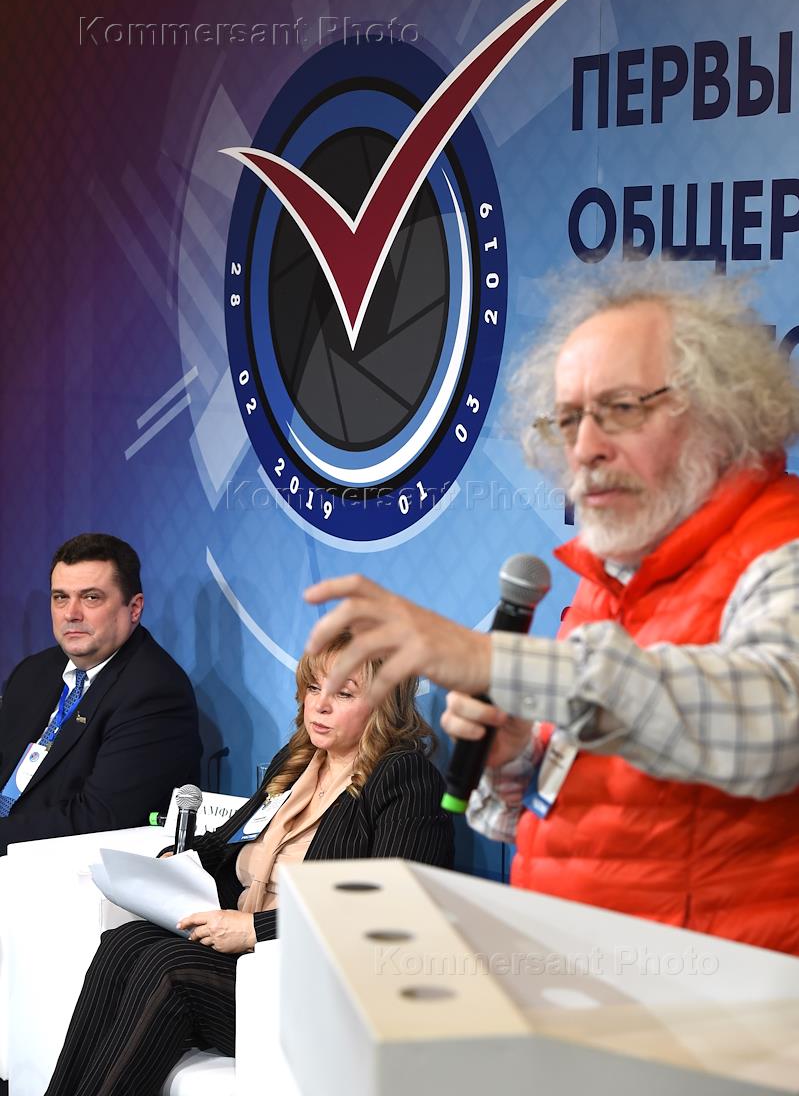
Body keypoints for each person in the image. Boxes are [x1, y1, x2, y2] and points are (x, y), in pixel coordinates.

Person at [304, 269, 799, 956]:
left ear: (719, 410)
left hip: (723, 997)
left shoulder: (782, 547)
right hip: (583, 969)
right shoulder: (610, 580)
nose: (585, 448)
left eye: (620, 408)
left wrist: (495, 661)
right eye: (569, 419)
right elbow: (569, 815)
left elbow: (774, 720)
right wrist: (513, 761)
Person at [45, 632, 452, 1096]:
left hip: (327, 990)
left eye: (343, 693)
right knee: (125, 941)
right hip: (257, 964)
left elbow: (393, 908)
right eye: (314, 687)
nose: (319, 706)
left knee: (168, 967)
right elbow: (226, 844)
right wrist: (178, 863)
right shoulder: (297, 761)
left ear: (383, 704)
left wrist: (256, 930)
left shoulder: (404, 776)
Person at [0, 533, 200, 854]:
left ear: (134, 608)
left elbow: (97, 819)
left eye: (91, 597)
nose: (71, 613)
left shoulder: (155, 693)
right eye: (60, 597)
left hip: (61, 867)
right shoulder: (32, 673)